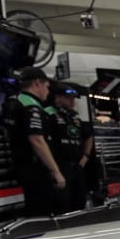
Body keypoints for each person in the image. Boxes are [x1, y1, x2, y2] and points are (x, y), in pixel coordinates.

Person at [2, 67, 66, 216]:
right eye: (47, 87)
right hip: (35, 169)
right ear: (38, 83)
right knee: (43, 212)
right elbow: (37, 140)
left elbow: (7, 133)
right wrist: (56, 171)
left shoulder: (12, 101)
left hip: (21, 165)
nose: (47, 91)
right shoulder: (31, 105)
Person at [47, 81, 93, 214]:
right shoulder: (48, 115)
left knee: (79, 202)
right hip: (59, 166)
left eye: (73, 98)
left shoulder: (74, 116)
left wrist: (86, 155)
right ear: (57, 97)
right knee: (62, 204)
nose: (72, 101)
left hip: (77, 166)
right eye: (69, 98)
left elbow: (89, 135)